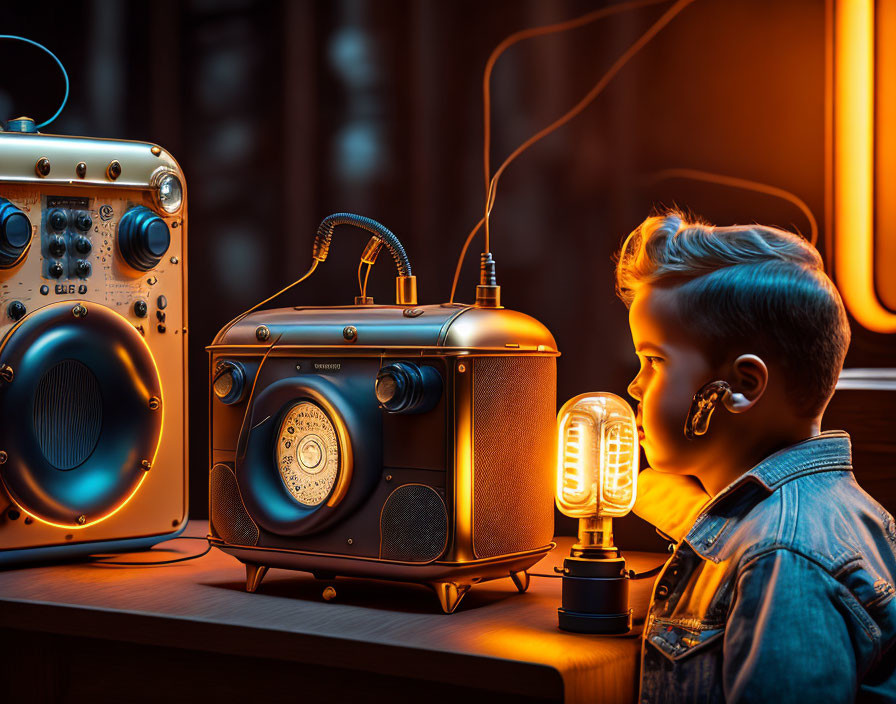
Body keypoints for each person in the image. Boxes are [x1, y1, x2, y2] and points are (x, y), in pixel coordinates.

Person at [616, 210, 896, 703]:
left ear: (742, 387)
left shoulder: (781, 561)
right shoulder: (850, 514)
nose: (634, 385)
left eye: (654, 360)